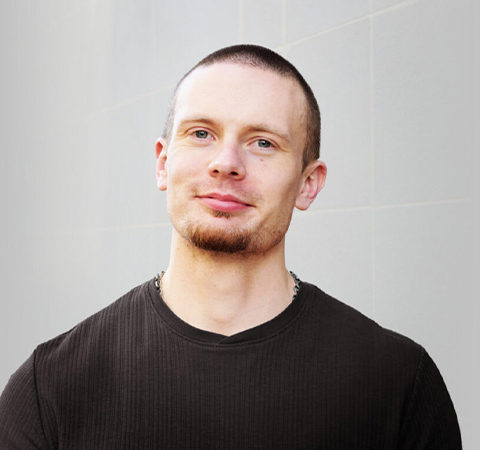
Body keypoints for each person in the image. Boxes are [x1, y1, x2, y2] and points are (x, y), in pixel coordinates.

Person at [0, 45, 461, 449]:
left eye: (263, 142)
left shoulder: (400, 384)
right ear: (163, 164)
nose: (226, 163)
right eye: (201, 133)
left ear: (308, 184)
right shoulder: (49, 389)